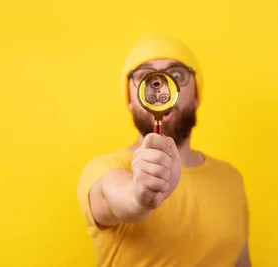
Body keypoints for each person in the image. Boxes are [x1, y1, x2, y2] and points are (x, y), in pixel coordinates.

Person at [76, 34, 251, 267]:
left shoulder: (231, 179)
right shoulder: (105, 169)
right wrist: (139, 197)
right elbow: (112, 196)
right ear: (130, 98)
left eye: (177, 74)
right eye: (144, 76)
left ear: (197, 94)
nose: (161, 89)